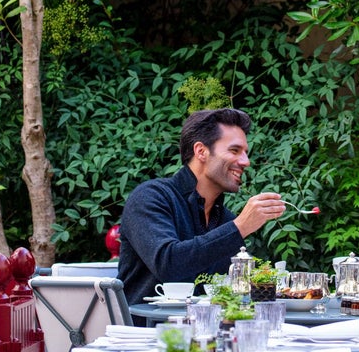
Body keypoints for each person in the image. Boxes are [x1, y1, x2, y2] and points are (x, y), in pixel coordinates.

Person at [118, 108, 286, 314]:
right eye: (234, 151)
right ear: (201, 151)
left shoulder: (224, 219)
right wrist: (240, 227)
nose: (245, 162)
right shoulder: (150, 197)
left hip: (207, 336)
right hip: (144, 336)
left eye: (245, 152)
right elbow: (168, 264)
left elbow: (231, 290)